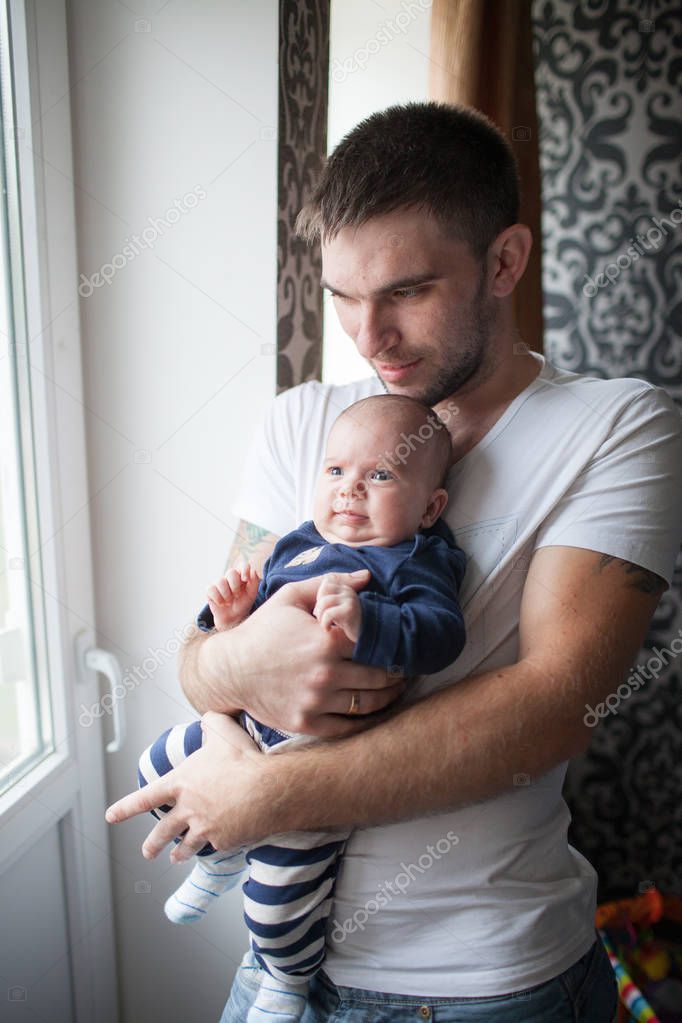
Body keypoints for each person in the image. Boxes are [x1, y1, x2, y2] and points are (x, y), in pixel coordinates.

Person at [106, 101, 682, 1022]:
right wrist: (228, 684)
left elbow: (556, 705)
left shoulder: (619, 425)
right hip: (274, 961)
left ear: (504, 261)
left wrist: (262, 792)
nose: (366, 336)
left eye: (405, 291)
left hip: (485, 984)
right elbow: (204, 647)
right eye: (341, 294)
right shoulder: (308, 421)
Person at [135, 394, 466, 1023]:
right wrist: (233, 621)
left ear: (430, 507)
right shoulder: (300, 542)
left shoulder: (415, 561)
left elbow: (442, 635)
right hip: (244, 727)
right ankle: (221, 857)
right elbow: (244, 634)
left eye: (381, 475)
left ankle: (288, 977)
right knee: (156, 769)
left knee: (280, 894)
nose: (350, 491)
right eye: (336, 472)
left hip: (318, 755)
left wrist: (369, 622)